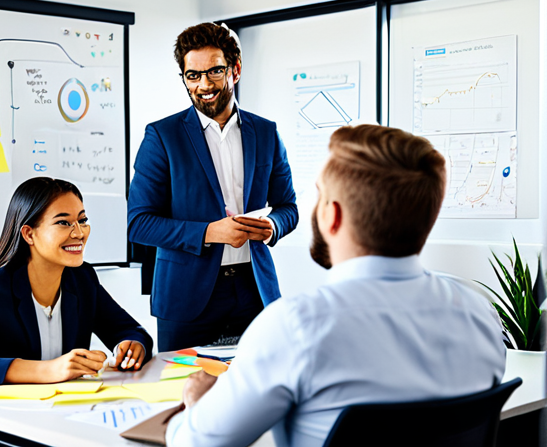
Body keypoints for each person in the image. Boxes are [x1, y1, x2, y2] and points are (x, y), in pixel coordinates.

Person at [166, 124, 506, 447]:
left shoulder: (295, 326)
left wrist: (197, 402)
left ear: (333, 215)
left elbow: (193, 444)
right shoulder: (479, 315)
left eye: (320, 195)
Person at [128, 22, 299, 352]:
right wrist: (210, 232)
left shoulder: (265, 133)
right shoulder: (162, 137)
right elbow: (139, 223)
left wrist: (272, 226)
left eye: (214, 72)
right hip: (186, 297)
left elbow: (288, 207)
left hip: (255, 290)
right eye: (193, 75)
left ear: (235, 70)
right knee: (183, 395)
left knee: (260, 391)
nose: (204, 85)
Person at [0, 177, 153, 386]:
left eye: (82, 220)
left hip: (58, 409)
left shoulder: (82, 279)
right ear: (29, 234)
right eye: (63, 222)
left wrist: (132, 346)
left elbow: (131, 331)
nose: (79, 233)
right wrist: (51, 369)